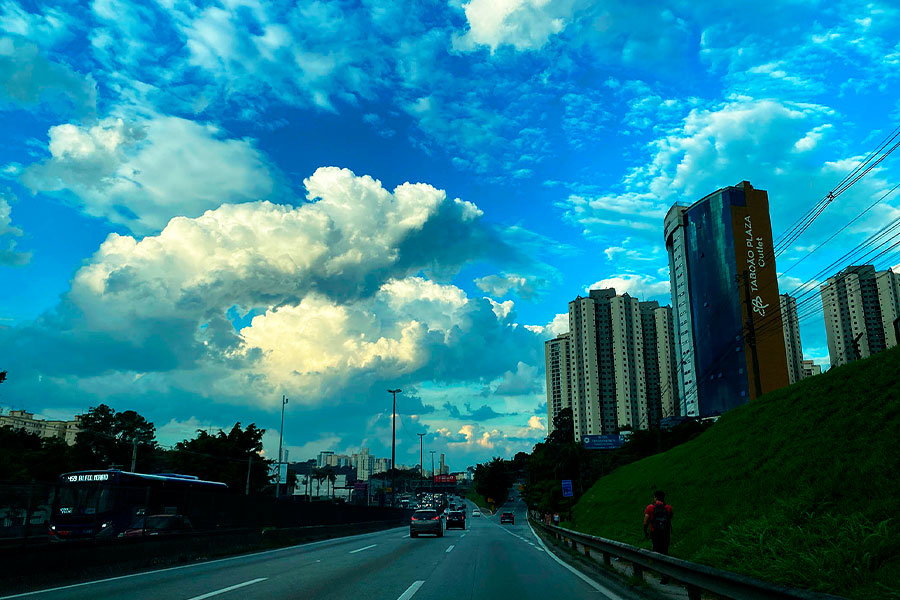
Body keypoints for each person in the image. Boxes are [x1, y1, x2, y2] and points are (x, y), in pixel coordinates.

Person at [643, 490, 674, 584]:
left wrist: (645, 531)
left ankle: (662, 573)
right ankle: (665, 573)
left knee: (657, 552)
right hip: (666, 533)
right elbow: (670, 518)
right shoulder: (668, 507)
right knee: (665, 552)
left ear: (655, 497)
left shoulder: (650, 507)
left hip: (655, 533)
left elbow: (645, 521)